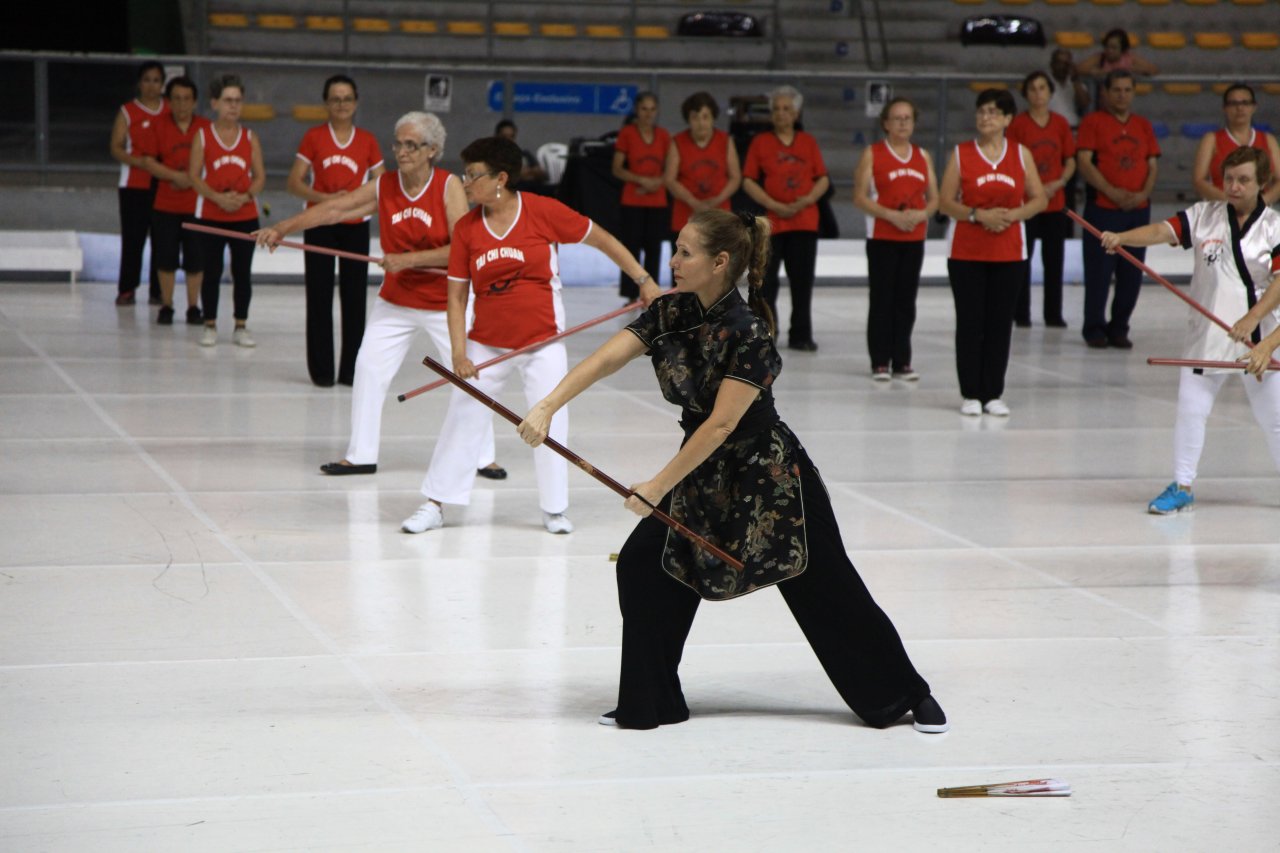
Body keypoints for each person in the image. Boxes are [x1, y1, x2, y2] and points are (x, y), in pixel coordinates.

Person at [515, 209, 949, 733]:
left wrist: (656, 486)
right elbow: (609, 358)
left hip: (769, 478)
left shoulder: (750, 332)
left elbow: (721, 426)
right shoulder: (669, 312)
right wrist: (547, 406)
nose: (673, 262)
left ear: (720, 263)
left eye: (685, 253)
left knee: (831, 588)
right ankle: (654, 701)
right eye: (675, 250)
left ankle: (906, 694)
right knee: (643, 567)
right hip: (700, 471)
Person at [402, 136, 659, 536]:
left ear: (500, 178)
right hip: (486, 343)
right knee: (463, 417)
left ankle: (554, 508)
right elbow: (455, 297)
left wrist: (643, 280)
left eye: (473, 175)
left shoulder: (543, 212)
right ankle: (436, 503)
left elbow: (603, 239)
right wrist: (458, 353)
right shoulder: (468, 230)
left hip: (543, 344)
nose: (465, 183)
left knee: (550, 420)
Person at [258, 112, 505, 481]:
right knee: (369, 370)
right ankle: (361, 455)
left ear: (432, 150)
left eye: (411, 145)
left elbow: (462, 249)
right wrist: (282, 227)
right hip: (397, 301)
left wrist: (409, 260)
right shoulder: (384, 185)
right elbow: (335, 209)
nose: (401, 152)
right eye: (398, 143)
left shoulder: (448, 186)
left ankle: (484, 456)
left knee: (468, 374)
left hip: (444, 302)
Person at [1098, 148, 1280, 513]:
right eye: (1229, 178)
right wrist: (1123, 237)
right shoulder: (1205, 215)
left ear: (1262, 183)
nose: (1233, 186)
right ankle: (1182, 485)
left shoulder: (1274, 227)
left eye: (1243, 180)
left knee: (1274, 419)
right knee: (1191, 411)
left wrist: (1252, 321)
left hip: (1259, 340)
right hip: (1207, 335)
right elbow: (1163, 231)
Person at [938, 88, 1048, 417]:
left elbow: (1039, 199)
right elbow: (945, 202)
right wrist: (976, 214)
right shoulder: (961, 154)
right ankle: (971, 392)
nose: (986, 117)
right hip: (967, 251)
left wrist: (1011, 216)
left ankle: (993, 392)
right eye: (982, 111)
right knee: (971, 321)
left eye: (993, 112)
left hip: (1009, 250)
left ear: (1007, 119)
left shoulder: (1020, 154)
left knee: (1000, 323)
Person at [286, 75, 384, 387]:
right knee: (318, 296)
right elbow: (295, 182)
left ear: (356, 103)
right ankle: (322, 372)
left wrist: (355, 204)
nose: (341, 104)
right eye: (335, 98)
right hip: (320, 225)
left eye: (347, 98)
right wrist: (327, 200)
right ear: (327, 103)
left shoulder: (367, 140)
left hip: (355, 227)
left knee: (355, 299)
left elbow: (381, 185)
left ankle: (350, 372)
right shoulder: (314, 137)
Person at [852, 96, 939, 381]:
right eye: (897, 118)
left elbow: (935, 198)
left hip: (913, 238)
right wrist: (890, 215)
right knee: (882, 299)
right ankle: (880, 360)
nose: (902, 123)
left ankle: (902, 360)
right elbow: (860, 197)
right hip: (883, 236)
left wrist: (921, 214)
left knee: (906, 300)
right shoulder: (873, 154)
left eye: (907, 118)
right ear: (886, 123)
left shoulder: (923, 156)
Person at [742, 85, 830, 352]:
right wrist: (771, 203)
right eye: (777, 109)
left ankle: (801, 334)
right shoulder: (760, 143)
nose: (781, 114)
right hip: (771, 223)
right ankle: (767, 331)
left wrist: (806, 200)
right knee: (766, 281)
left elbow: (822, 179)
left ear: (796, 112)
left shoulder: (808, 142)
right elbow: (748, 180)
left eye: (787, 109)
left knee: (802, 281)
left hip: (804, 222)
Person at [1077, 70, 1160, 349]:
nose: (1122, 95)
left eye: (1127, 89)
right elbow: (1085, 162)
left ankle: (1120, 327)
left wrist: (1142, 195)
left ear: (1134, 92)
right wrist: (1111, 191)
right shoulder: (1093, 122)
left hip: (1137, 210)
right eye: (1117, 90)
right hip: (1103, 208)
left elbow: (1152, 164)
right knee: (1099, 273)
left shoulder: (1143, 125)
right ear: (1106, 93)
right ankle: (1094, 328)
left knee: (1131, 273)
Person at [189, 73, 265, 348]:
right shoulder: (203, 136)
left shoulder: (249, 136)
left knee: (242, 272)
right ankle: (209, 324)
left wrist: (245, 196)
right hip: (211, 213)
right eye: (228, 100)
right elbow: (194, 176)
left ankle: (241, 325)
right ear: (215, 103)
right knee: (211, 269)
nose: (234, 106)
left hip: (244, 215)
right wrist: (217, 199)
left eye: (238, 101)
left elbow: (259, 176)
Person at [1008, 71, 1077, 328]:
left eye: (1042, 88)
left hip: (1055, 201)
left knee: (1054, 261)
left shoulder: (1059, 124)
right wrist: (1035, 187)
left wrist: (1059, 182)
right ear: (1026, 94)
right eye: (1033, 89)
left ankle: (1053, 313)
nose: (1038, 94)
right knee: (1023, 260)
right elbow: (1013, 161)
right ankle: (1021, 313)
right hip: (1027, 203)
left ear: (1050, 93)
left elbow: (1070, 160)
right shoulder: (1018, 125)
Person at [139, 76, 209, 326]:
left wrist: (192, 178)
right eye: (177, 99)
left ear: (194, 102)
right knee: (165, 257)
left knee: (196, 258)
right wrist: (175, 176)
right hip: (165, 204)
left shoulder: (205, 128)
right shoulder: (158, 126)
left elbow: (212, 161)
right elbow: (148, 161)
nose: (182, 105)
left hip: (196, 205)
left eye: (186, 99)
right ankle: (167, 304)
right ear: (169, 101)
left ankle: (193, 306)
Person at [109, 60, 167, 307]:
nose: (151, 86)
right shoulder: (128, 111)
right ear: (139, 83)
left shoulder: (170, 110)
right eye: (147, 80)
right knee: (133, 239)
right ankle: (127, 288)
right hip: (134, 184)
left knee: (162, 237)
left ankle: (159, 290)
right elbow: (116, 147)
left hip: (164, 183)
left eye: (156, 80)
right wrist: (139, 162)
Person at [612, 92, 670, 300]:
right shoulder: (627, 134)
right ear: (637, 110)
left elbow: (671, 167)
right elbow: (617, 168)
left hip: (657, 200)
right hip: (633, 199)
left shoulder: (663, 136)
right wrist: (641, 180)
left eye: (652, 109)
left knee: (654, 248)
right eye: (644, 109)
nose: (648, 114)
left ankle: (651, 293)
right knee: (631, 248)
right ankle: (630, 294)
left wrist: (657, 182)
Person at [663, 91, 741, 241]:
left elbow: (735, 177)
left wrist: (716, 200)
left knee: (720, 261)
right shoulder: (677, 141)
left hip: (720, 215)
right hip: (686, 215)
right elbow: (670, 179)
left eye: (705, 117)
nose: (701, 123)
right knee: (684, 261)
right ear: (688, 119)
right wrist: (693, 202)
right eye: (695, 117)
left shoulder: (725, 141)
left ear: (713, 118)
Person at [1191, 84, 1280, 206]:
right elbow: (1199, 180)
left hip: (1260, 213)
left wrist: (1263, 201)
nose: (1239, 108)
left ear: (1254, 107)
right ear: (1224, 108)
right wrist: (1230, 201)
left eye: (1245, 102)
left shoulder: (1268, 139)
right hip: (1220, 209)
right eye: (1233, 103)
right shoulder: (1211, 139)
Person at [1076, 28, 1158, 100]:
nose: (1109, 51)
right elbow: (1078, 69)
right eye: (1107, 47)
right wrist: (1094, 72)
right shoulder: (1101, 57)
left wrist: (1134, 70)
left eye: (1114, 48)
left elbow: (1153, 70)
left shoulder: (1130, 58)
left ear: (1123, 50)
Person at [494, 119, 547, 188]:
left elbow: (541, 174)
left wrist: (527, 172)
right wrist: (520, 174)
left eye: (511, 136)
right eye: (505, 137)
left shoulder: (524, 154)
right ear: (497, 137)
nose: (509, 140)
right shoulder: (493, 156)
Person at [1048, 48, 1090, 129]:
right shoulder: (1044, 81)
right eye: (1059, 63)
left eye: (1066, 63)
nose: (1062, 67)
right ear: (1052, 64)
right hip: (1051, 128)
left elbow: (1084, 103)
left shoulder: (1074, 82)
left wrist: (1075, 79)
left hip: (1072, 127)